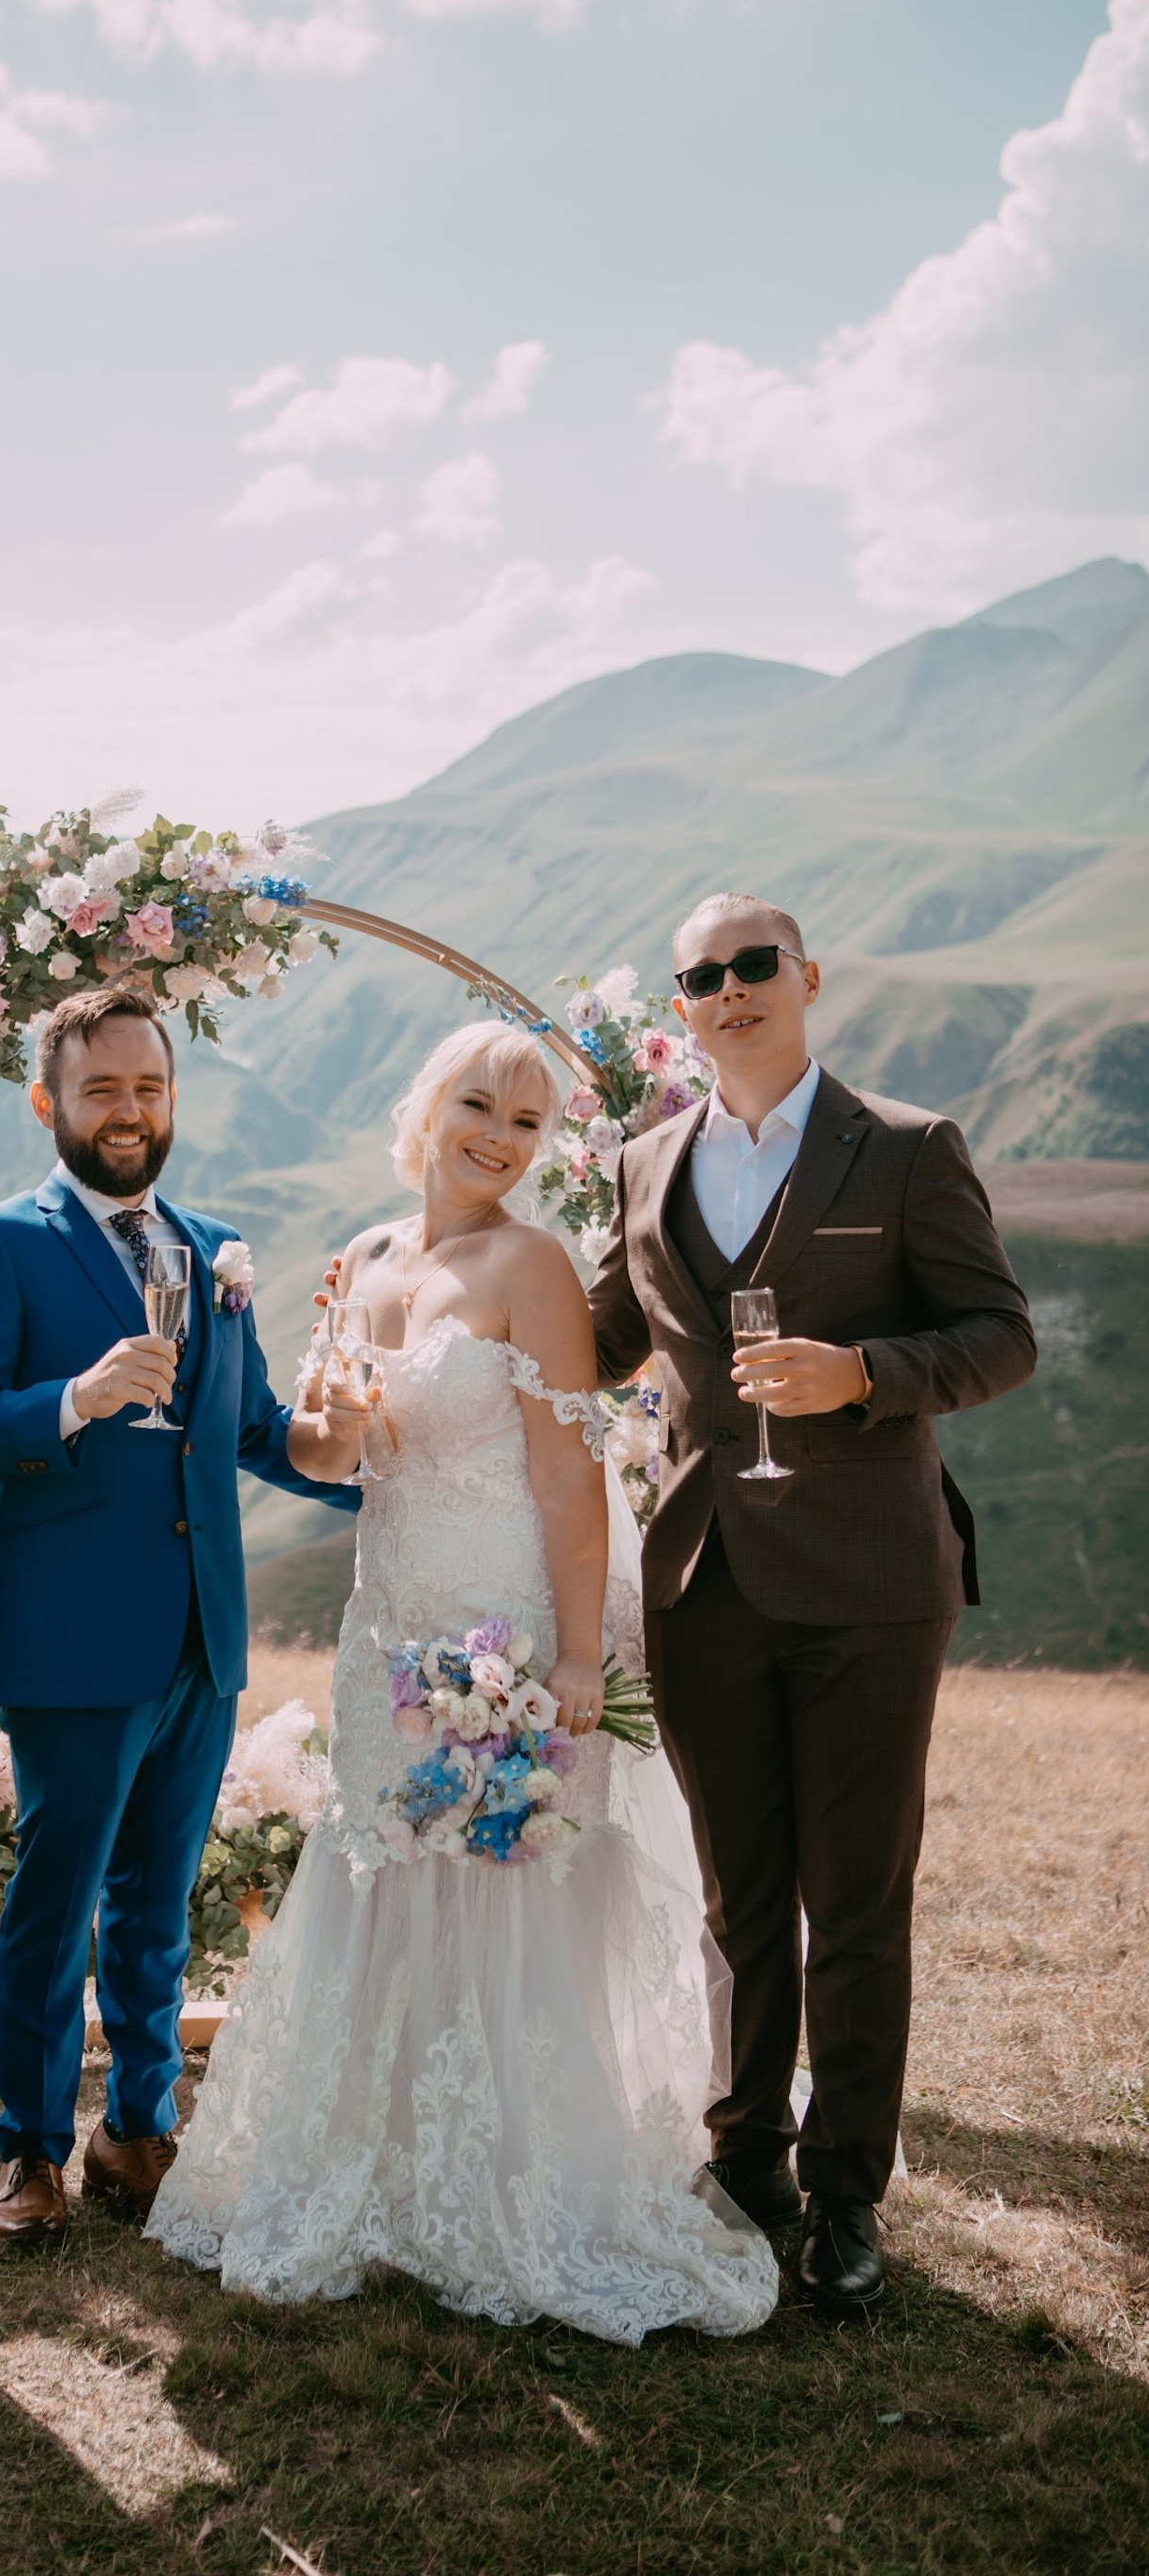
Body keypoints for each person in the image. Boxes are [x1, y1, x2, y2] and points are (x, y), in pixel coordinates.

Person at [146, 1022, 778, 2344]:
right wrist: (332, 1414)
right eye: (478, 1104)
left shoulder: (531, 1264)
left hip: (501, 1625)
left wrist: (565, 1657)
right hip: (389, 1620)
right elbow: (327, 1452)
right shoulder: (371, 1257)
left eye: (526, 1123)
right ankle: (379, 2171)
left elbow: (564, 1470)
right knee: (388, 1861)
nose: (498, 1136)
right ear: (428, 1103)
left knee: (501, 1876)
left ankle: (506, 2184)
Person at [587, 891, 1036, 2315]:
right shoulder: (645, 1162)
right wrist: (433, 1265)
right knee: (737, 1901)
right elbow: (597, 1337)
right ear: (681, 1009)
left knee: (853, 1903)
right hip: (703, 1580)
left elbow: (1000, 1338)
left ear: (805, 978)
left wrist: (862, 1376)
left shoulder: (906, 1150)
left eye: (752, 965)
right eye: (701, 975)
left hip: (871, 1581)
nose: (729, 989)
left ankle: (847, 2196)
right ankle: (745, 2164)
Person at [0, 985, 361, 2245]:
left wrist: (379, 1467)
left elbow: (256, 1430)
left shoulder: (215, 1248)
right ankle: (30, 2154)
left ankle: (138, 2130)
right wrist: (75, 1396)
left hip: (201, 1635)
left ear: (174, 1102)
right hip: (68, 1631)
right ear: (49, 1103)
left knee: (160, 1904)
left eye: (149, 1089)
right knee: (56, 1903)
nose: (129, 1112)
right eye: (102, 1089)